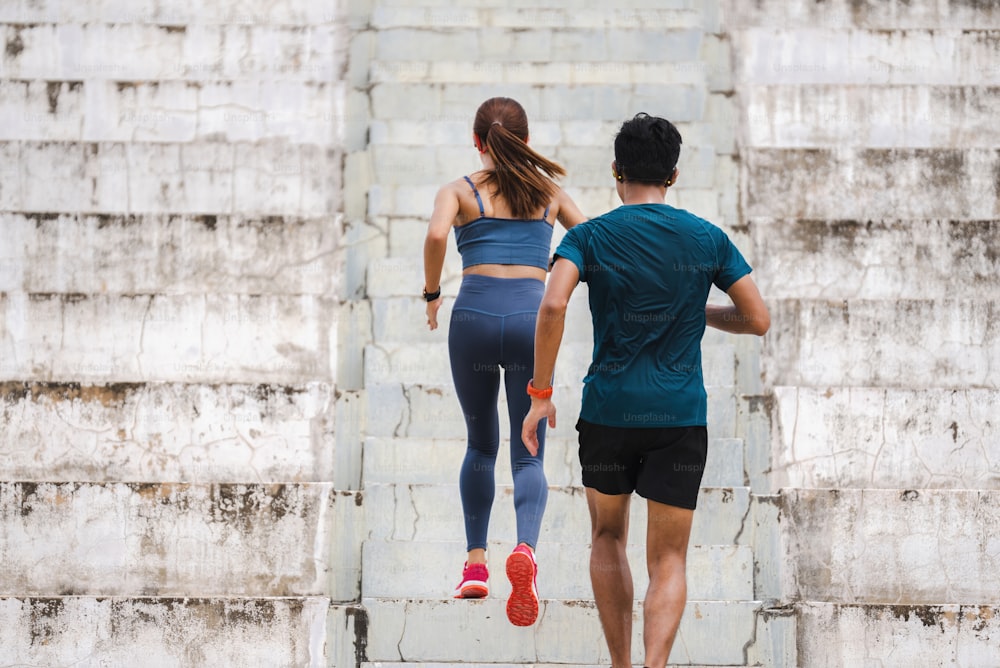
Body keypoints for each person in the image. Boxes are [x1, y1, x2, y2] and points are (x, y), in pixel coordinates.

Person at [521, 113, 770, 667]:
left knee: (607, 538)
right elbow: (756, 319)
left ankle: (621, 664)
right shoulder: (706, 238)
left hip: (609, 413)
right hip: (679, 418)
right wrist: (699, 309)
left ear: (616, 171)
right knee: (670, 558)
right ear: (673, 176)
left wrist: (541, 393)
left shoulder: (588, 236)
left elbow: (554, 304)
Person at [422, 96, 587, 626]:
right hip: (530, 323)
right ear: (526, 141)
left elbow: (434, 235)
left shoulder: (458, 190)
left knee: (479, 442)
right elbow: (593, 240)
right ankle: (526, 552)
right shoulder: (550, 195)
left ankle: (475, 567)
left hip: (471, 318)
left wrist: (431, 294)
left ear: (477, 142)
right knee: (528, 449)